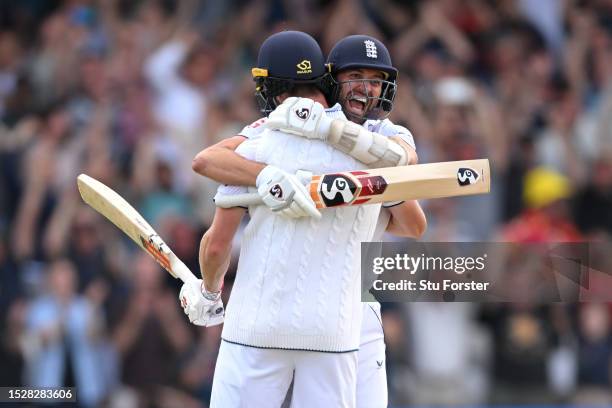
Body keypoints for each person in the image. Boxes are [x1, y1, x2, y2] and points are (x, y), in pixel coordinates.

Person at [189, 34, 426, 407]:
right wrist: (269, 176)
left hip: (267, 325)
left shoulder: (264, 143)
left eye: (376, 80)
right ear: (329, 79)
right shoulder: (365, 156)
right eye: (356, 76)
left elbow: (216, 237)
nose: (366, 88)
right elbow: (205, 160)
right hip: (337, 329)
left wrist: (208, 291)